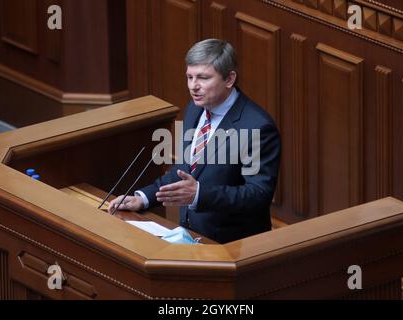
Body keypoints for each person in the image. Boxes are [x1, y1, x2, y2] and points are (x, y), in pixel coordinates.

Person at [108, 39, 281, 243]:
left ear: (229, 79)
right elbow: (183, 171)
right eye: (189, 77)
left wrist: (200, 194)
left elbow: (257, 195)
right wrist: (143, 198)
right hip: (190, 238)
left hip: (231, 248)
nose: (193, 86)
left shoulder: (257, 127)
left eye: (203, 78)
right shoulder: (195, 109)